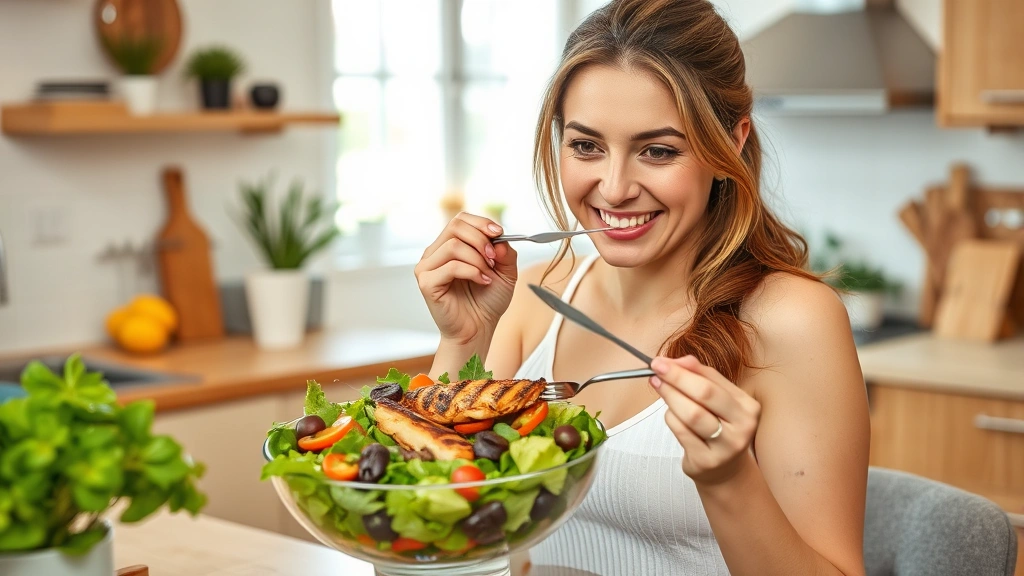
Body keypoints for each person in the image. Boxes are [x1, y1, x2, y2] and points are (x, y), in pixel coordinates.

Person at [414, 0, 869, 574]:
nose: (615, 186)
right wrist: (463, 342)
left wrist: (729, 481)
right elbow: (434, 537)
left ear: (729, 144)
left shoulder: (793, 320)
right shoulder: (528, 301)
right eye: (586, 146)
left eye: (658, 150)